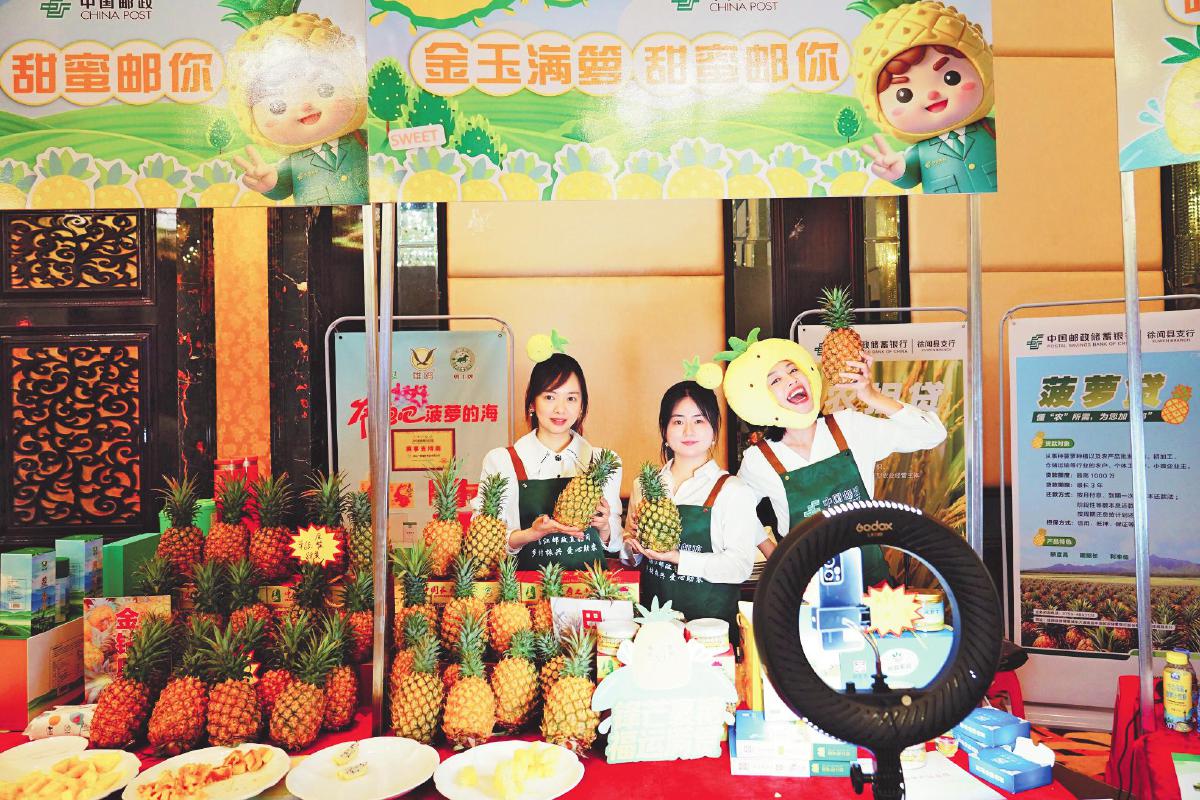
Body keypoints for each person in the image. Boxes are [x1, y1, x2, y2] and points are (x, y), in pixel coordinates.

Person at [719, 329, 946, 588]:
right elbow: (735, 510)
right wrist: (775, 555)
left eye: (793, 370)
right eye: (775, 380)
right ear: (761, 397)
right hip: (806, 590)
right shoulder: (759, 459)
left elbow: (933, 434)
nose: (791, 380)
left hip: (872, 587)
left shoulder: (850, 427)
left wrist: (871, 396)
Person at [623, 377, 759, 641]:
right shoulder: (644, 485)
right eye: (678, 421)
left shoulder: (733, 490)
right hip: (653, 630)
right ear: (664, 430)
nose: (688, 431)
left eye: (699, 421)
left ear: (714, 430)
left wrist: (677, 557)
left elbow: (740, 567)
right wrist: (633, 546)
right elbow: (631, 559)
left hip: (711, 632)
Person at [471, 334, 622, 571]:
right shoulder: (502, 461)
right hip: (527, 590)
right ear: (532, 402)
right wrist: (530, 534)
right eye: (550, 397)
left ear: (582, 405)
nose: (560, 409)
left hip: (589, 589)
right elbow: (484, 540)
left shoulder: (604, 461)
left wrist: (605, 528)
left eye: (571, 398)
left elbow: (615, 546)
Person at [849, 3, 997, 194]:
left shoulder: (991, 129)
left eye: (951, 77)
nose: (932, 95)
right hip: (949, 210)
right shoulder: (920, 152)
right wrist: (897, 171)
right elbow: (909, 178)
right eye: (904, 95)